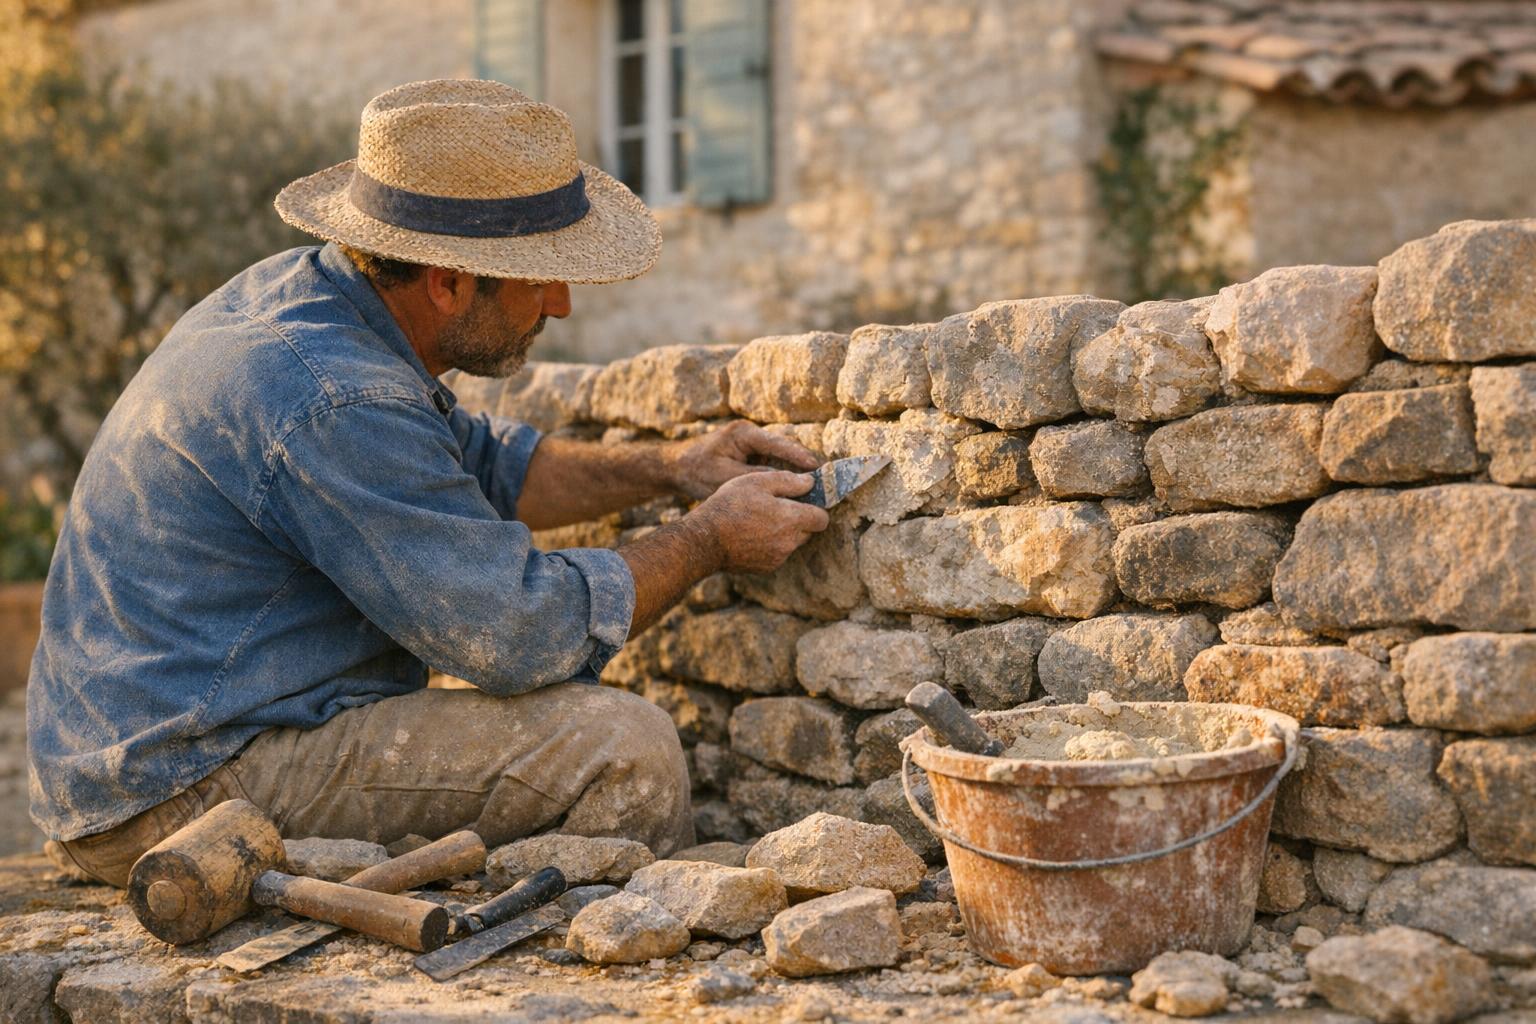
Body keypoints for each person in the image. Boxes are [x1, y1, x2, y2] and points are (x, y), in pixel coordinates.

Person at [27, 78, 829, 887]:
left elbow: (489, 466)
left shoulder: (313, 300)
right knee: (622, 749)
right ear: (447, 279)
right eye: (538, 278)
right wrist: (709, 540)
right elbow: (519, 635)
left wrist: (671, 466)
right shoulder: (335, 394)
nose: (560, 303)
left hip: (143, 751)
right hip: (182, 790)